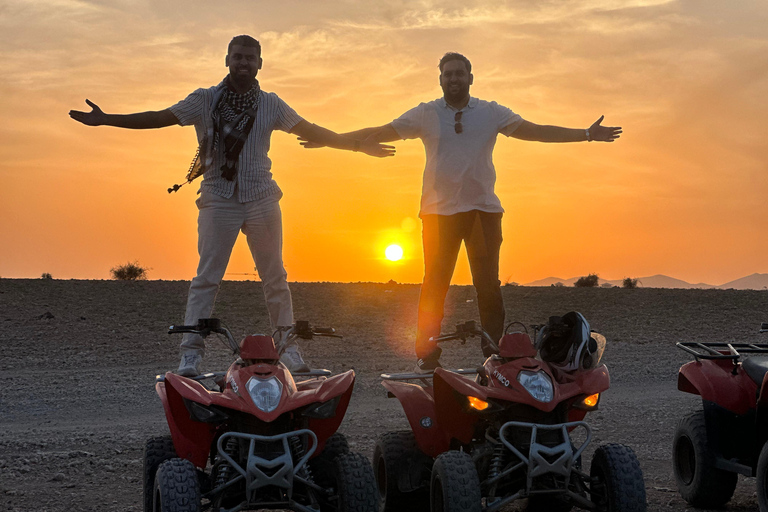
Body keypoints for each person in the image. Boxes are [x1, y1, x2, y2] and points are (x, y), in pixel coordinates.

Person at [70, 35, 394, 376]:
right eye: (237, 56)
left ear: (260, 64)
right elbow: (158, 117)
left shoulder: (272, 104)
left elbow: (313, 130)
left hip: (261, 198)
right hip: (218, 198)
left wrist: (358, 146)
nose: (243, 62)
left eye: (250, 58)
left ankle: (288, 348)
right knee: (206, 278)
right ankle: (191, 354)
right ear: (227, 60)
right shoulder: (204, 100)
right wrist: (107, 119)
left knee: (275, 278)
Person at [303, 52, 621, 372]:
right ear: (440, 79)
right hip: (439, 215)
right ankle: (426, 352)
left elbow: (535, 130)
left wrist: (586, 134)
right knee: (435, 284)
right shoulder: (426, 113)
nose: (453, 78)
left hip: (482, 211)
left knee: (487, 285)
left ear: (471, 77)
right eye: (447, 74)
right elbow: (382, 130)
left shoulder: (491, 112)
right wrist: (331, 139)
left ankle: (496, 352)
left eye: (459, 73)